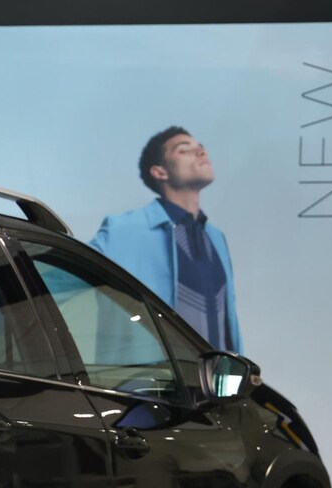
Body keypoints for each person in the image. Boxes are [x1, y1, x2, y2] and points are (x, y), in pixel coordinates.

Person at [90, 126, 242, 353]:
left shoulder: (215, 237)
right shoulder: (122, 230)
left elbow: (228, 326)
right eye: (184, 149)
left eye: (201, 147)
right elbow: (57, 279)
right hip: (149, 374)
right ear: (160, 172)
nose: (202, 152)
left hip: (214, 374)